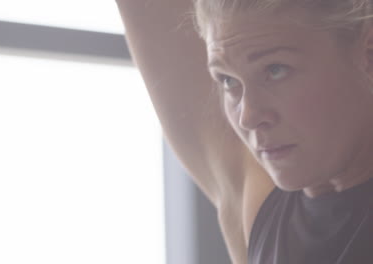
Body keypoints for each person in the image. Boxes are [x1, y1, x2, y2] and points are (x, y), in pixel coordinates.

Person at [116, 0, 373, 263]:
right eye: (228, 80)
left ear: (368, 53)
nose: (248, 116)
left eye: (275, 70)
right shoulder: (260, 209)